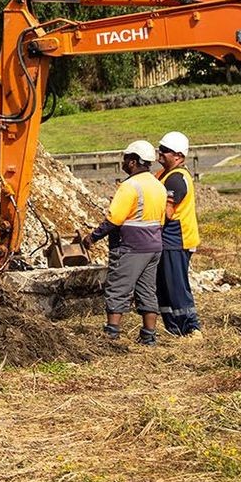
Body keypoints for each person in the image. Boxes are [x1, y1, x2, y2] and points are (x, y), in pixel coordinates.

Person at [84, 138, 168, 345]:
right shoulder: (158, 186)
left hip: (131, 246)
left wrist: (92, 237)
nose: (123, 163)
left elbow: (115, 219)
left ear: (133, 161)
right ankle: (149, 336)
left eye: (125, 159)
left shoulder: (130, 186)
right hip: (155, 245)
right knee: (147, 289)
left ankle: (111, 334)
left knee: (118, 288)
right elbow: (162, 218)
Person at [155, 131, 203, 339]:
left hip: (177, 239)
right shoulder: (164, 175)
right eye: (161, 148)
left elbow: (166, 212)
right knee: (164, 287)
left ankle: (192, 328)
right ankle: (173, 329)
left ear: (179, 156)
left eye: (166, 151)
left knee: (176, 285)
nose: (161, 153)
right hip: (167, 240)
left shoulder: (176, 179)